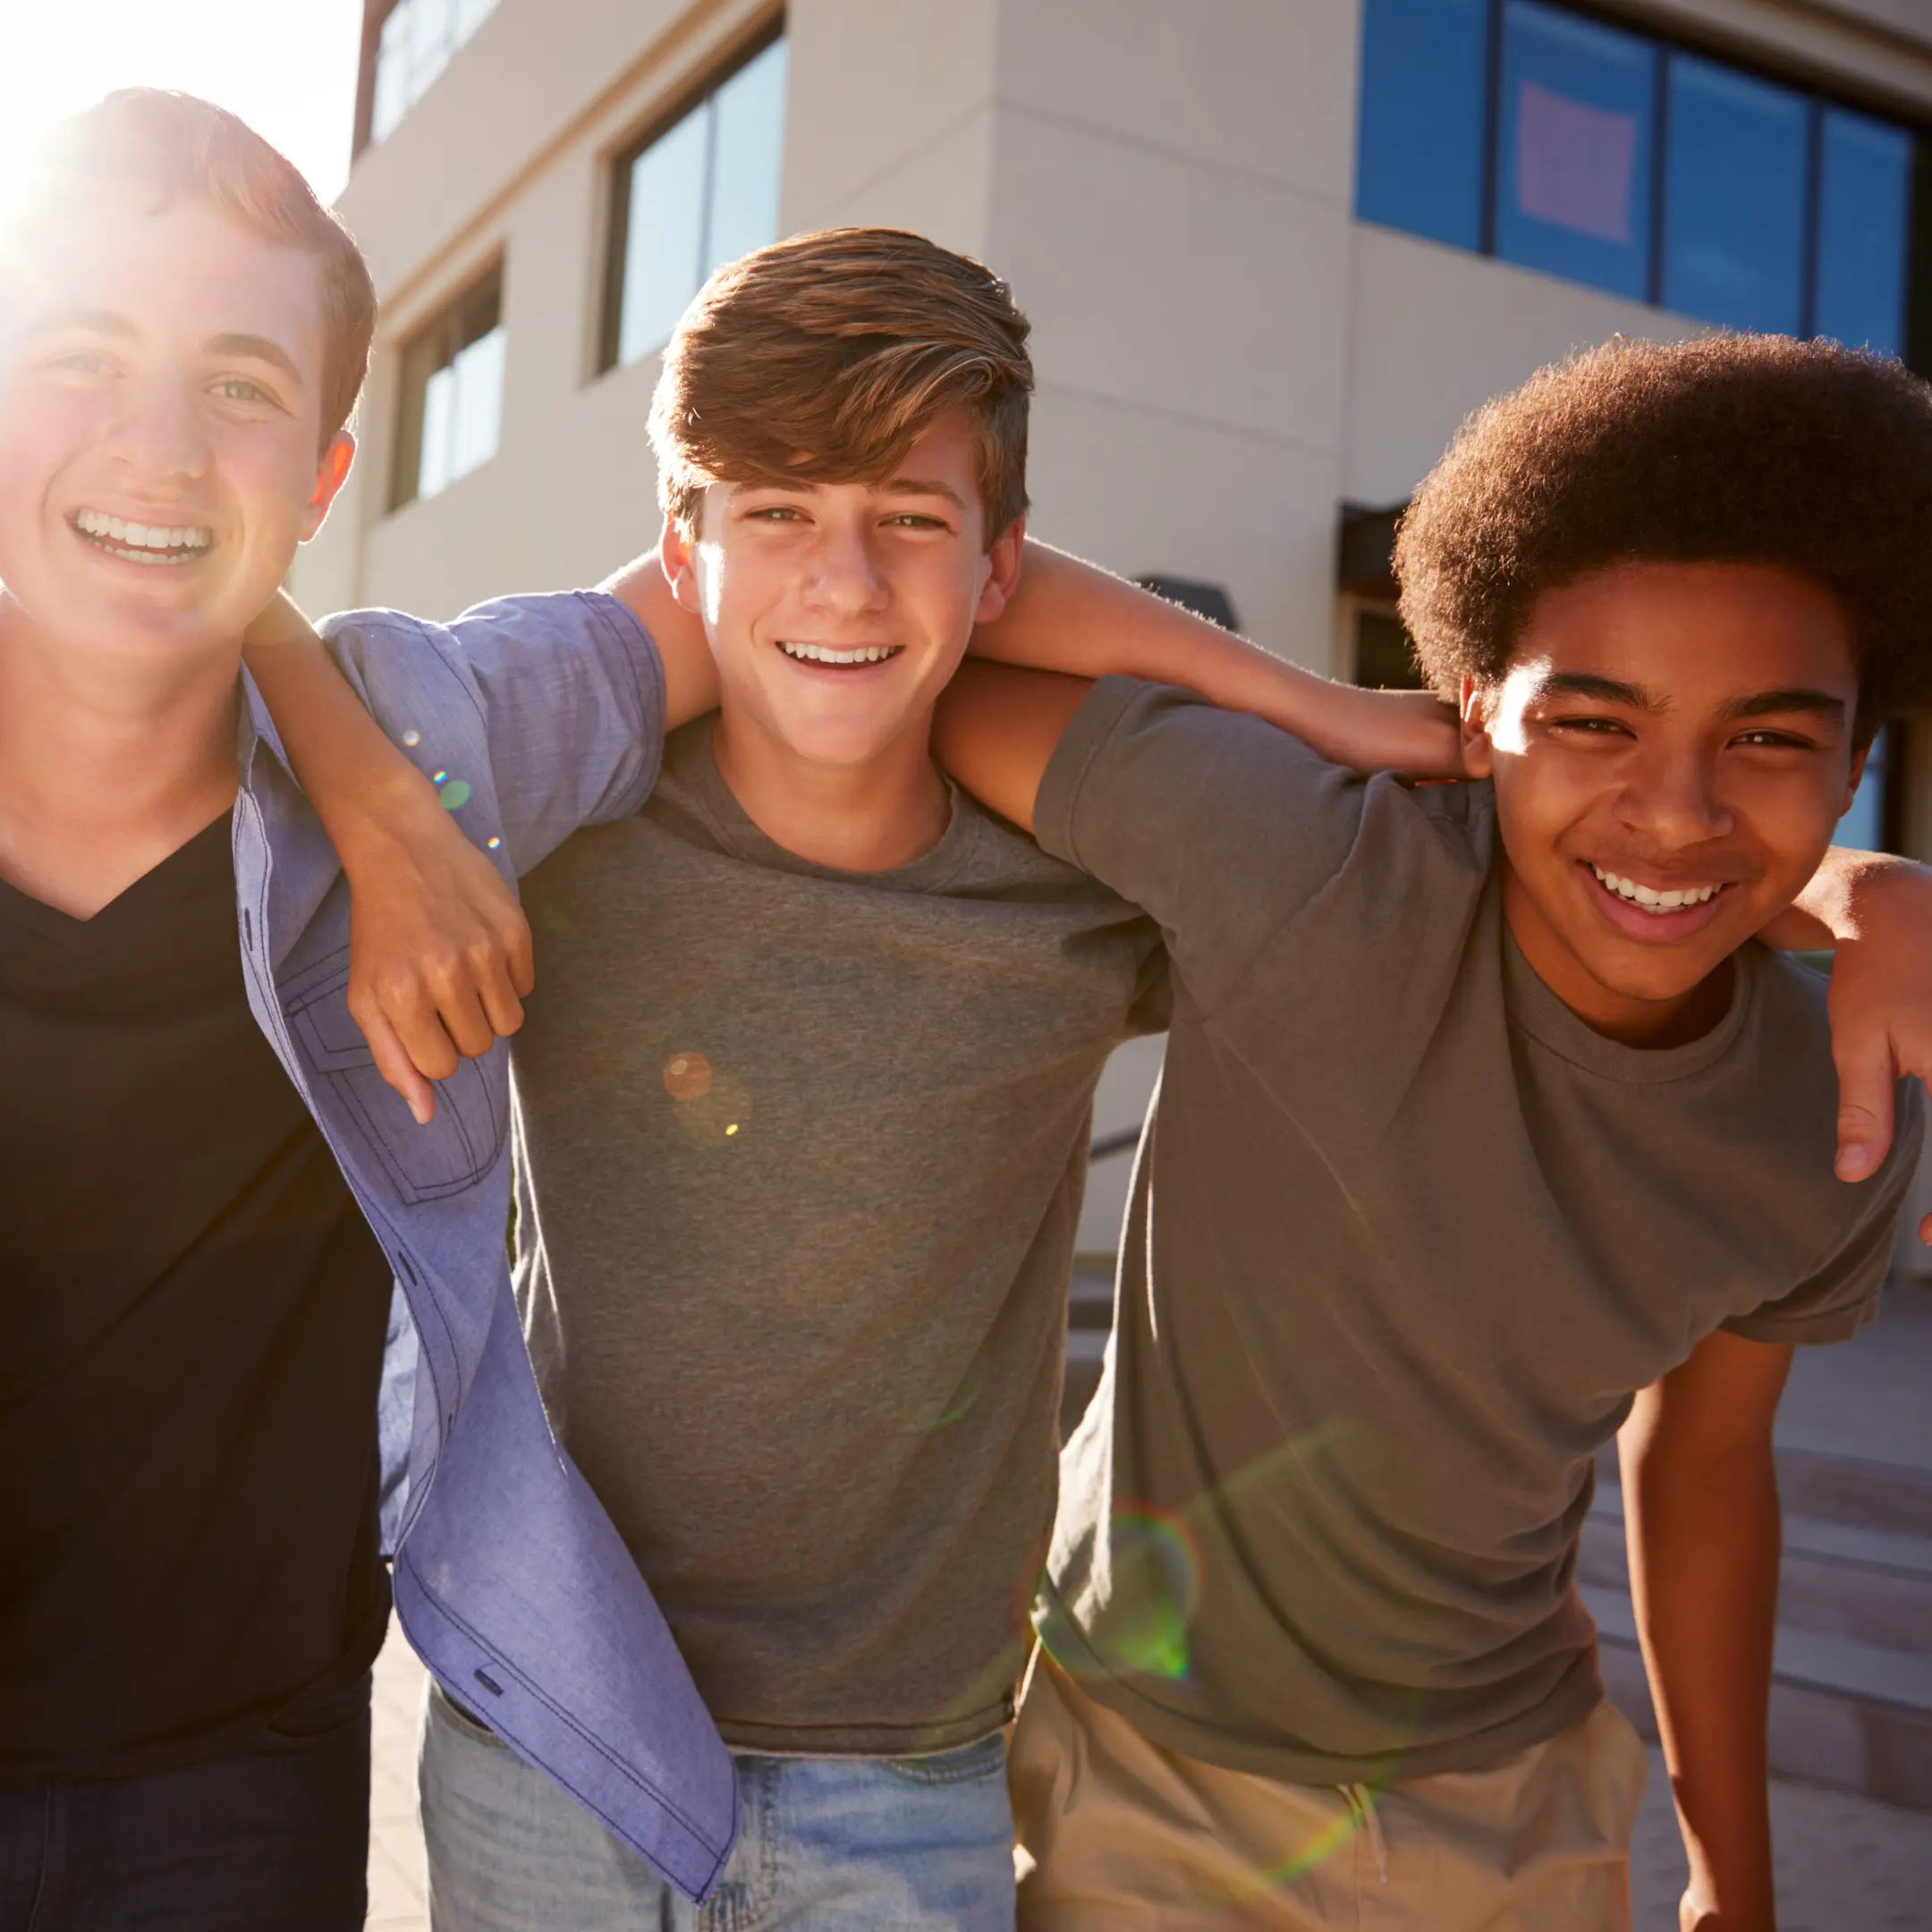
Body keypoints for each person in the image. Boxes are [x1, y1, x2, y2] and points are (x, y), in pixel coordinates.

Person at [244, 225, 1470, 1930]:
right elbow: (262, 664)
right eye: (778, 516)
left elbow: (1527, 881)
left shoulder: (1086, 887)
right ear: (683, 546)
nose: (845, 583)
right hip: (554, 1733)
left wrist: (1844, 892)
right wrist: (382, 822)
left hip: (907, 1767)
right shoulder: (563, 831)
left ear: (999, 569)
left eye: (911, 521)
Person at [925, 334, 1932, 1932]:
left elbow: (1709, 1459)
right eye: (1593, 722)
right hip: (1145, 1768)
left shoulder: (1840, 1104)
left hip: (1518, 1797)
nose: (1674, 811)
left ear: (1858, 766)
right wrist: (1313, 708)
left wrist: (1734, 1877)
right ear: (1478, 712)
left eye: (1767, 740)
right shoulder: (1311, 868)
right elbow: (938, 645)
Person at [0, 89, 733, 1929]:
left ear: (327, 477)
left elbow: (788, 587)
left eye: (242, 389)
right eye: (84, 357)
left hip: (229, 1787)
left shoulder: (434, 741)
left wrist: (1382, 729)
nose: (161, 449)